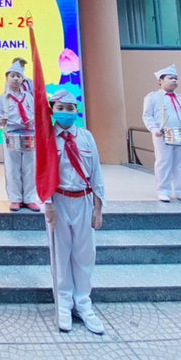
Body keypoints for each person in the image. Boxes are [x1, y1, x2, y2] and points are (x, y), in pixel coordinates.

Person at [44, 88, 105, 334]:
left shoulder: (86, 137)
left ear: (76, 110)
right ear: (52, 111)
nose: (65, 113)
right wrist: (47, 203)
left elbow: (96, 172)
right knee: (60, 254)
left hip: (84, 201)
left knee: (84, 254)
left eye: (70, 109)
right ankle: (63, 304)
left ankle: (83, 303)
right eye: (60, 108)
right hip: (59, 201)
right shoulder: (47, 137)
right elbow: (43, 172)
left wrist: (98, 207)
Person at [142, 64, 181, 204]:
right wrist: (154, 130)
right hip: (163, 134)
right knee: (163, 162)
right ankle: (163, 191)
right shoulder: (153, 97)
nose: (174, 80)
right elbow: (147, 116)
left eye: (176, 78)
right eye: (170, 78)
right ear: (160, 80)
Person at [0, 62, 39, 211]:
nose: (15, 79)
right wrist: (1, 120)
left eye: (18, 76)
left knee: (30, 168)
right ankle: (15, 199)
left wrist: (33, 121)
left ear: (22, 79)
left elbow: (36, 114)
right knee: (12, 169)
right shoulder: (2, 98)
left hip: (29, 135)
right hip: (11, 135)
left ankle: (30, 199)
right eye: (12, 76)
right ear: (7, 79)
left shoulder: (29, 97)